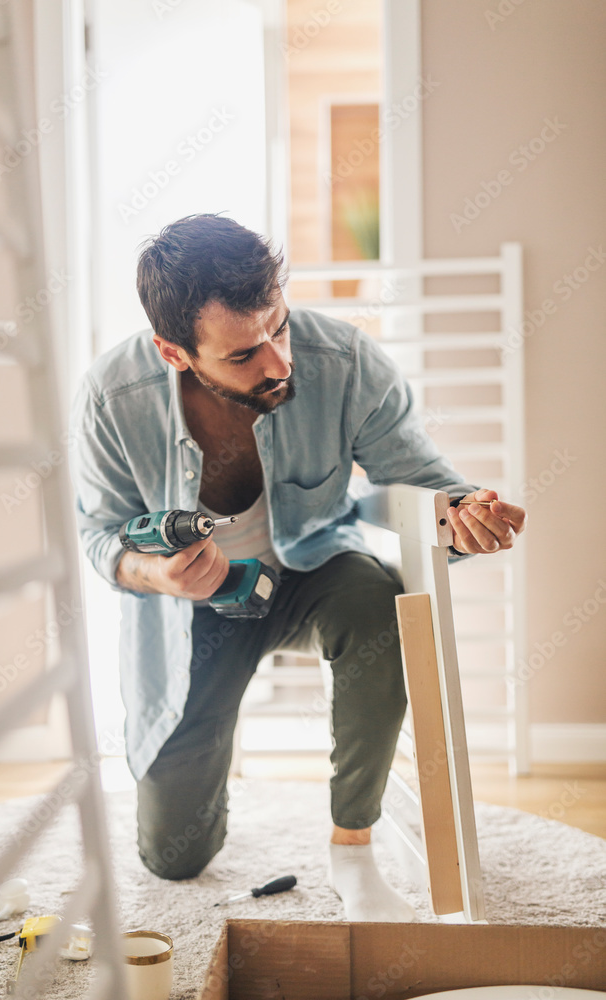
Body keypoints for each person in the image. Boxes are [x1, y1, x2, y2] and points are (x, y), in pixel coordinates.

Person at [69, 213, 527, 921]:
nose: (279, 362)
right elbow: (99, 535)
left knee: (378, 600)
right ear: (172, 351)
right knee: (173, 855)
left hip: (312, 573)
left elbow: (423, 484)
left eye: (278, 327)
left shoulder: (343, 358)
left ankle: (353, 847)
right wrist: (153, 574)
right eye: (244, 354)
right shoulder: (111, 395)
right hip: (193, 610)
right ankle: (205, 774)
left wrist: (467, 520)